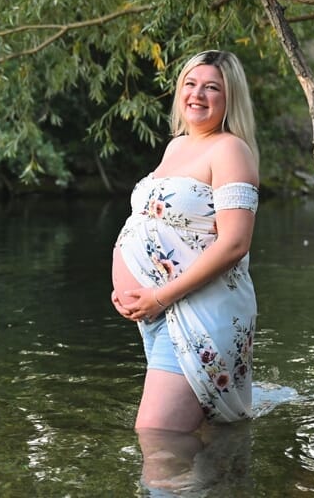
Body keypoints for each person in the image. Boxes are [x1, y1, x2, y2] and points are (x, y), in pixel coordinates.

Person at [111, 49, 260, 434]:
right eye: (190, 84)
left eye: (212, 88)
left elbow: (235, 243)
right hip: (159, 315)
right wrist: (131, 291)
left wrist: (158, 296)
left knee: (157, 438)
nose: (197, 94)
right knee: (196, 443)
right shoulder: (176, 146)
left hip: (199, 316)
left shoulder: (230, 149)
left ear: (230, 99)